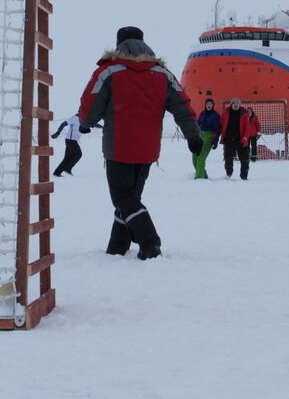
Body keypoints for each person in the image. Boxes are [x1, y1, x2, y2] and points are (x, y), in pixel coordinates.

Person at [78, 25, 202, 259]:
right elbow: (182, 106)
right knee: (130, 199)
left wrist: (85, 123)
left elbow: (90, 102)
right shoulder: (162, 74)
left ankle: (150, 241)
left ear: (118, 44)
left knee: (124, 199)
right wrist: (192, 135)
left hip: (118, 147)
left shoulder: (109, 71)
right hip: (147, 150)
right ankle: (117, 246)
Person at [220, 98, 259, 180]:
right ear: (231, 104)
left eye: (238, 103)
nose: (236, 105)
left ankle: (244, 176)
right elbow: (221, 125)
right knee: (228, 158)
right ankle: (228, 174)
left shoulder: (244, 115)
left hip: (240, 140)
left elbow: (247, 129)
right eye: (234, 103)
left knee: (245, 159)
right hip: (229, 139)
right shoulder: (226, 113)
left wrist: (244, 139)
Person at [51, 113, 97, 177]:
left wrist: (103, 127)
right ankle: (67, 168)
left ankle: (57, 172)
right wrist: (58, 133)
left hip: (72, 140)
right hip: (70, 140)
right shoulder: (74, 118)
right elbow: (63, 124)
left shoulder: (84, 120)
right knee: (78, 154)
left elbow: (93, 124)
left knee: (67, 158)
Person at [193, 98, 221, 179]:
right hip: (200, 135)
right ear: (205, 105)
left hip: (209, 136)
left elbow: (217, 129)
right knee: (194, 157)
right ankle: (203, 175)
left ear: (213, 105)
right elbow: (198, 124)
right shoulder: (202, 113)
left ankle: (199, 178)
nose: (209, 105)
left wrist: (215, 140)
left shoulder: (216, 116)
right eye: (207, 104)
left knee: (200, 156)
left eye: (210, 104)